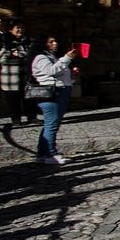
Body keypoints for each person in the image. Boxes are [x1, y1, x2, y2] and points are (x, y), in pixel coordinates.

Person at [31, 36, 79, 166]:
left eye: (55, 41)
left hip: (60, 91)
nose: (55, 43)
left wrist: (73, 76)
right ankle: (50, 153)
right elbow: (51, 71)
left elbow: (61, 76)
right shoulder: (41, 58)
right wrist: (67, 58)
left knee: (50, 124)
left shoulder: (53, 58)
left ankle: (42, 153)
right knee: (52, 124)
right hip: (52, 94)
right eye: (50, 42)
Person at [0, 20, 37, 126]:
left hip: (26, 73)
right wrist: (12, 53)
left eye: (22, 27)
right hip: (10, 74)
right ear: (11, 29)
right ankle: (15, 118)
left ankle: (32, 117)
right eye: (18, 27)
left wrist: (18, 54)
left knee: (29, 96)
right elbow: (1, 58)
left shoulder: (27, 40)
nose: (20, 30)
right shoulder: (4, 41)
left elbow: (31, 55)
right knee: (13, 98)